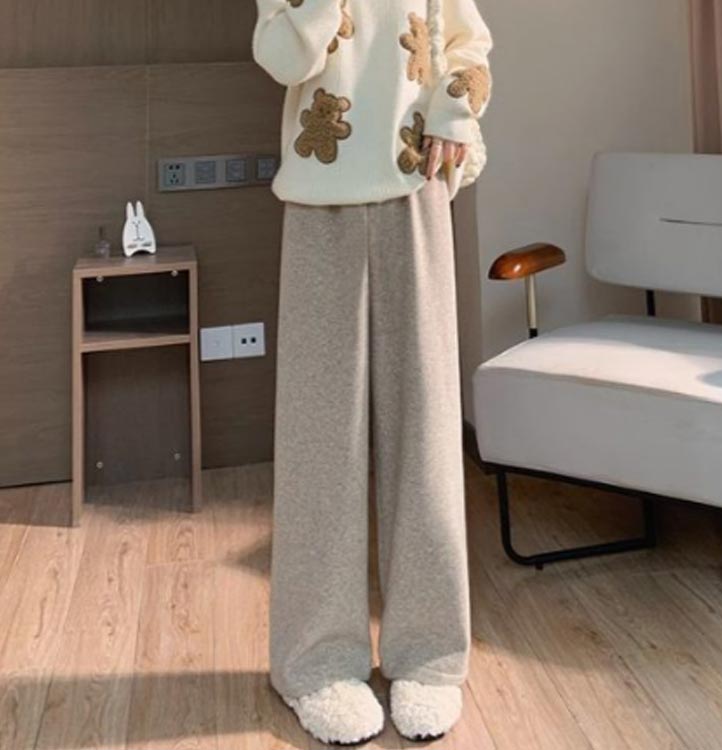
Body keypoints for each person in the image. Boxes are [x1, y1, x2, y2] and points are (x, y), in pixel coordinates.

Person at [252, 0, 493, 744]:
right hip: (319, 203)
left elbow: (468, 44)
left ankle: (430, 656)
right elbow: (283, 58)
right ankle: (317, 664)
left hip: (415, 187)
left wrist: (455, 112)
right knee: (320, 442)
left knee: (426, 433)